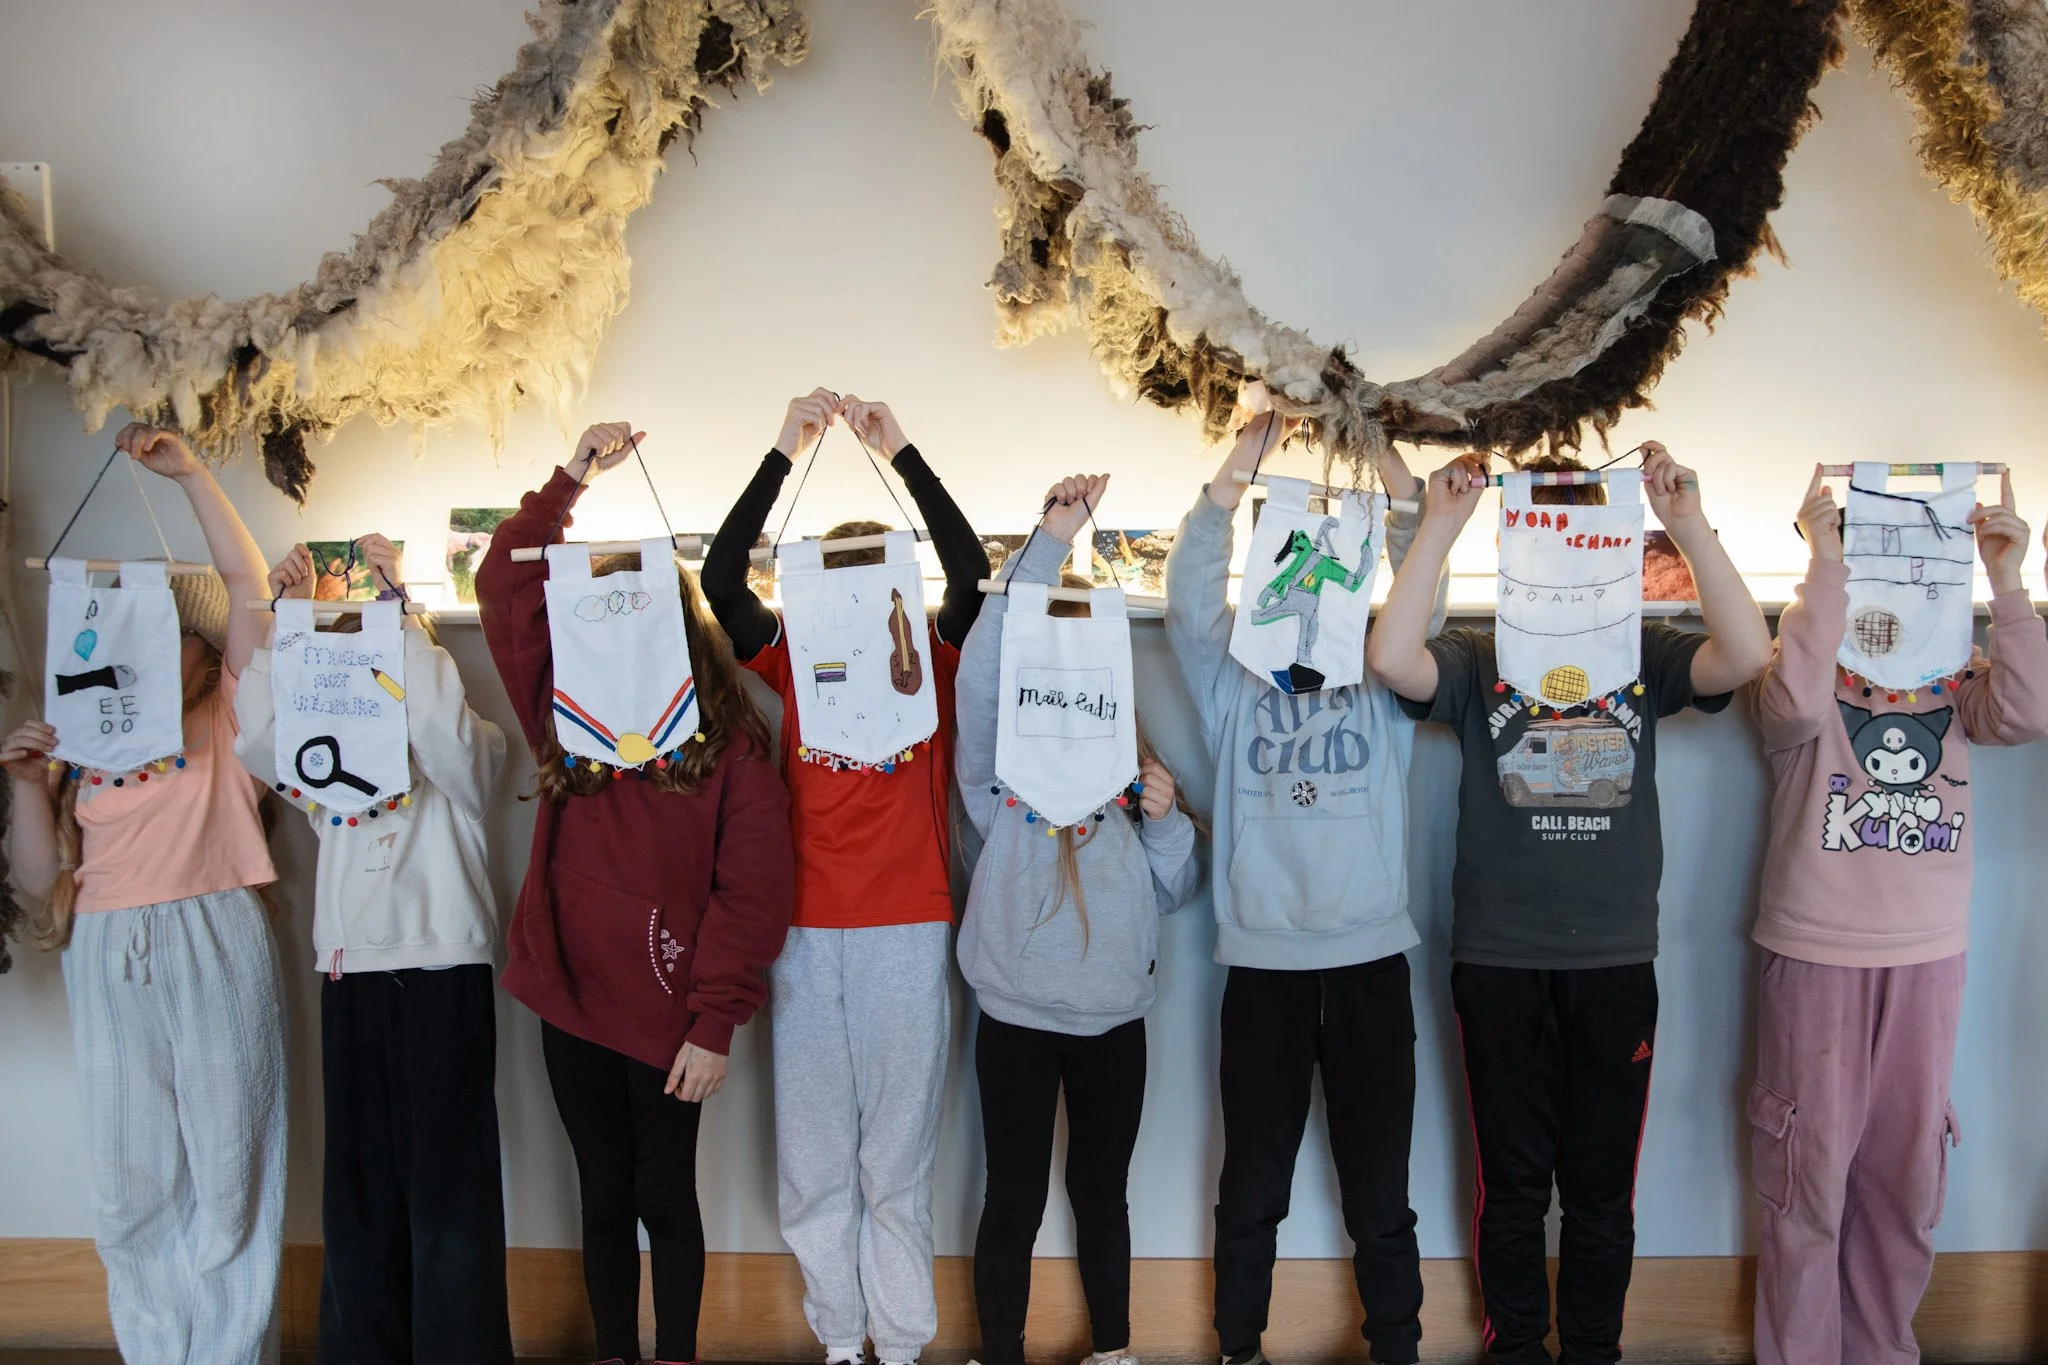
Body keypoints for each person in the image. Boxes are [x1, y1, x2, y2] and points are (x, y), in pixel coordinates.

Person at [1367, 445, 1773, 1365]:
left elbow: (1747, 653)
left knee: (1599, 1190)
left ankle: (1591, 1350)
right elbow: (1391, 658)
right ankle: (1515, 1348)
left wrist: (1687, 521)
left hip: (1615, 964)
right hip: (1500, 962)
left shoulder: (1641, 653)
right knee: (1510, 1185)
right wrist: (1440, 523)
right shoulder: (1478, 658)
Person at [476, 421, 796, 1365]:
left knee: (665, 1194)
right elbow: (504, 584)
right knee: (603, 1195)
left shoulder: (731, 747)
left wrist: (714, 1023)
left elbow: (754, 894)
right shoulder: (562, 708)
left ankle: (677, 1355)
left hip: (670, 1016)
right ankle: (616, 1350)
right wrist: (569, 479)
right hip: (569, 995)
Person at [700, 391, 989, 1365]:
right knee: (815, 1167)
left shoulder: (941, 661)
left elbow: (968, 571)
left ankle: (899, 1349)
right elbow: (719, 578)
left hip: (908, 929)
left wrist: (898, 449)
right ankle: (837, 1344)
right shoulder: (788, 659)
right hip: (804, 935)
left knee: (893, 1168)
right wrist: (788, 447)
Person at [1747, 467, 2048, 1364]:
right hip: (1814, 957)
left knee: (1905, 1181)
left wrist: (2004, 580)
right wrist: (1826, 558)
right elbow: (1796, 698)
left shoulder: (1961, 686)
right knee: (1807, 1181)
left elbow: (2029, 711)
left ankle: (1882, 1349)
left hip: (1926, 962)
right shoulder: (1800, 683)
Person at [1, 423, 284, 1364]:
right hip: (106, 944)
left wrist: (194, 473)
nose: (151, 650)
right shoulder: (87, 737)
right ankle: (159, 1350)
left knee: (230, 1166)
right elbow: (43, 881)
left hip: (213, 927)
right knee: (132, 1184)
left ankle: (228, 1351)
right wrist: (25, 785)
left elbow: (247, 588)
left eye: (169, 633)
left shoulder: (231, 711)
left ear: (200, 649)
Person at [1161, 403, 1436, 1365]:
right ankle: (1240, 1349)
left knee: (1380, 1196)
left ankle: (1395, 1346)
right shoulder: (1232, 676)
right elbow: (1188, 599)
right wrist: (1241, 465)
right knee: (1252, 1191)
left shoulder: (1380, 663)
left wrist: (1387, 463)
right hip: (1264, 969)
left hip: (1369, 962)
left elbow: (1424, 599)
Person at [234, 534, 514, 1363]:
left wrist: (396, 604)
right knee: (358, 1199)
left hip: (442, 975)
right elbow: (261, 740)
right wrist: (290, 621)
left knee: (450, 1199)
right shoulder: (331, 775)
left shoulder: (475, 752)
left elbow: (437, 722)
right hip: (350, 972)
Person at [954, 475, 1203, 1365]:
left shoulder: (1135, 789)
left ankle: (1115, 1348)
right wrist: (1048, 543)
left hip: (1111, 1023)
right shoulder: (998, 787)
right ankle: (1000, 1349)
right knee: (1012, 1199)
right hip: (1017, 1017)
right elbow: (983, 677)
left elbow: (1174, 892)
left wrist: (1168, 819)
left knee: (1104, 1194)